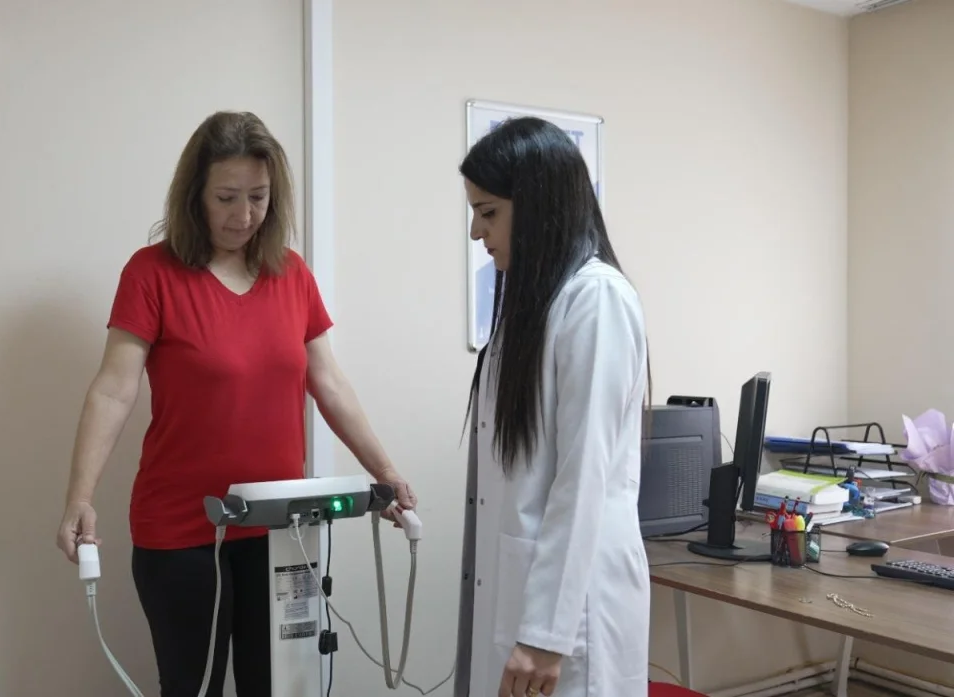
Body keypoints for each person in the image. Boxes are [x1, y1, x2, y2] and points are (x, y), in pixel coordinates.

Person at [55, 110, 416, 697]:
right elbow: (113, 390)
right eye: (226, 197)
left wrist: (386, 472)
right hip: (180, 531)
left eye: (258, 197)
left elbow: (328, 381)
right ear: (194, 194)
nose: (244, 215)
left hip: (283, 530)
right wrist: (80, 496)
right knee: (191, 686)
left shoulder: (291, 275)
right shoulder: (152, 274)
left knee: (279, 687)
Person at [451, 117, 652, 697]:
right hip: (529, 592)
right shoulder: (532, 306)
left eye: (488, 212)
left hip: (575, 610)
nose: (476, 231)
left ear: (537, 206)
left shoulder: (596, 300)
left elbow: (582, 476)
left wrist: (546, 632)